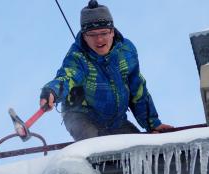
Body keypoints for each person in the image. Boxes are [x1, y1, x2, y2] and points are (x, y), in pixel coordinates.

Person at [40, 0, 174, 141]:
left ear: (112, 31)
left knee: (137, 144)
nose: (99, 39)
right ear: (84, 36)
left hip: (116, 121)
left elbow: (137, 90)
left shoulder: (126, 51)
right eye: (92, 34)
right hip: (82, 116)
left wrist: (152, 124)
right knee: (96, 145)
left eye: (104, 33)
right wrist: (52, 91)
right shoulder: (78, 57)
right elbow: (67, 76)